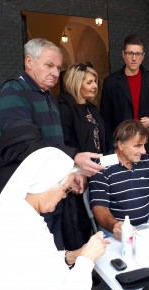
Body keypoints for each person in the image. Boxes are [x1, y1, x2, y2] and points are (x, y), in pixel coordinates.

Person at [0, 38, 104, 249]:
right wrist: (73, 157)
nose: (55, 72)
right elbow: (24, 145)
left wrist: (70, 173)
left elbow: (54, 146)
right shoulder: (13, 91)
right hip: (27, 200)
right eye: (49, 65)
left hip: (52, 196)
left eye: (58, 67)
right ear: (29, 61)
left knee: (55, 254)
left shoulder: (49, 98)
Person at [0, 147, 110, 290]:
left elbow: (43, 265)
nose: (64, 196)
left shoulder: (21, 214)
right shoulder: (19, 229)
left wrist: (72, 256)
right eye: (65, 189)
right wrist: (86, 259)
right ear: (47, 184)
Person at [58, 63, 106, 249]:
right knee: (77, 223)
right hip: (76, 176)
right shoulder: (64, 108)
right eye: (89, 82)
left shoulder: (92, 109)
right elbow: (64, 143)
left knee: (93, 218)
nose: (94, 85)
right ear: (77, 83)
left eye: (95, 81)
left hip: (95, 174)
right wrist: (76, 171)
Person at [100, 34, 149, 158]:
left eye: (138, 54)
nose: (134, 58)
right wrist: (110, 148)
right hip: (122, 145)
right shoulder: (111, 82)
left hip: (146, 143)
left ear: (143, 56)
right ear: (123, 54)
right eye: (130, 53)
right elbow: (105, 118)